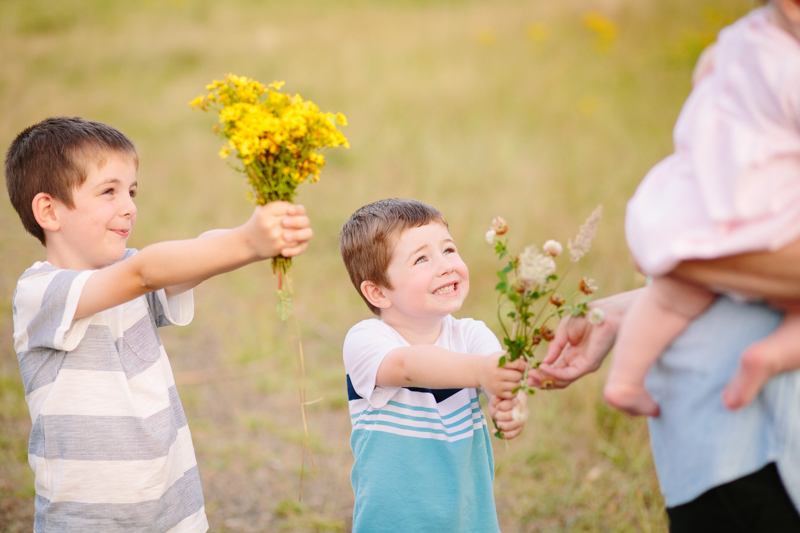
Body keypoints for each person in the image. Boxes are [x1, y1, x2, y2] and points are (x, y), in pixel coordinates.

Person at [5, 116, 313, 532]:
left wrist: (256, 243)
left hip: (172, 511)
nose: (129, 206)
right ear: (48, 210)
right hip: (86, 520)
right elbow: (147, 271)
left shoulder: (129, 274)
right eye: (108, 191)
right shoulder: (40, 293)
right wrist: (247, 239)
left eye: (132, 191)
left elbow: (192, 255)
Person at [604, 0, 800, 417]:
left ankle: (624, 380)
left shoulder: (738, 39)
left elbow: (704, 76)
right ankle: (772, 355)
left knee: (671, 298)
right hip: (765, 213)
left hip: (704, 204)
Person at [339, 198, 527, 533]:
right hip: (393, 524)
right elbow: (410, 366)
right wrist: (482, 371)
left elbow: (497, 371)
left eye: (449, 250)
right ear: (378, 292)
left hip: (469, 520)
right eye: (422, 259)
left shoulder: (471, 334)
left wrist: (509, 401)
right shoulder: (366, 341)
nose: (445, 266)